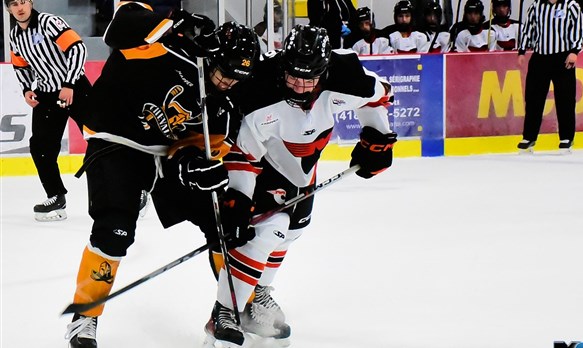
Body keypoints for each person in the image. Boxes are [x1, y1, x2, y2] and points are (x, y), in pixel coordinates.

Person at [63, 3, 259, 347]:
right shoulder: (169, 47)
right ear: (212, 56)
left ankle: (227, 309)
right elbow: (120, 27)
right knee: (114, 229)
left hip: (165, 157)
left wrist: (195, 165)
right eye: (224, 72)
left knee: (225, 224)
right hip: (116, 140)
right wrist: (168, 20)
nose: (227, 82)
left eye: (236, 79)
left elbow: (204, 149)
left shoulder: (226, 103)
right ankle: (85, 316)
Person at [204, 24, 397, 348]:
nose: (300, 85)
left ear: (324, 70)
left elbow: (380, 95)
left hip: (305, 169)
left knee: (291, 231)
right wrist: (238, 196)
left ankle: (259, 295)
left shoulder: (346, 75)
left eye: (309, 78)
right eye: (294, 76)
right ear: (283, 66)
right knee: (266, 233)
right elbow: (242, 154)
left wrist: (377, 139)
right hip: (264, 164)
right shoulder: (258, 89)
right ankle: (225, 311)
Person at [6, 0, 91, 222]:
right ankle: (56, 196)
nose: (20, 7)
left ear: (30, 3)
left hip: (75, 88)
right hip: (46, 94)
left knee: (100, 139)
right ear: (8, 9)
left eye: (23, 1)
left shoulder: (49, 22)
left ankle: (133, 189)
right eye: (14, 4)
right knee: (41, 146)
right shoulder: (15, 35)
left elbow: (77, 48)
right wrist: (26, 88)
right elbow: (20, 65)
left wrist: (69, 83)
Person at [517, 0, 583, 153]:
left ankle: (566, 137)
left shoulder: (571, 5)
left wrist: (574, 51)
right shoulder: (536, 5)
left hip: (563, 57)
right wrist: (522, 51)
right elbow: (528, 29)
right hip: (540, 57)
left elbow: (578, 29)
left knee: (565, 99)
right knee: (533, 99)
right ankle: (529, 137)